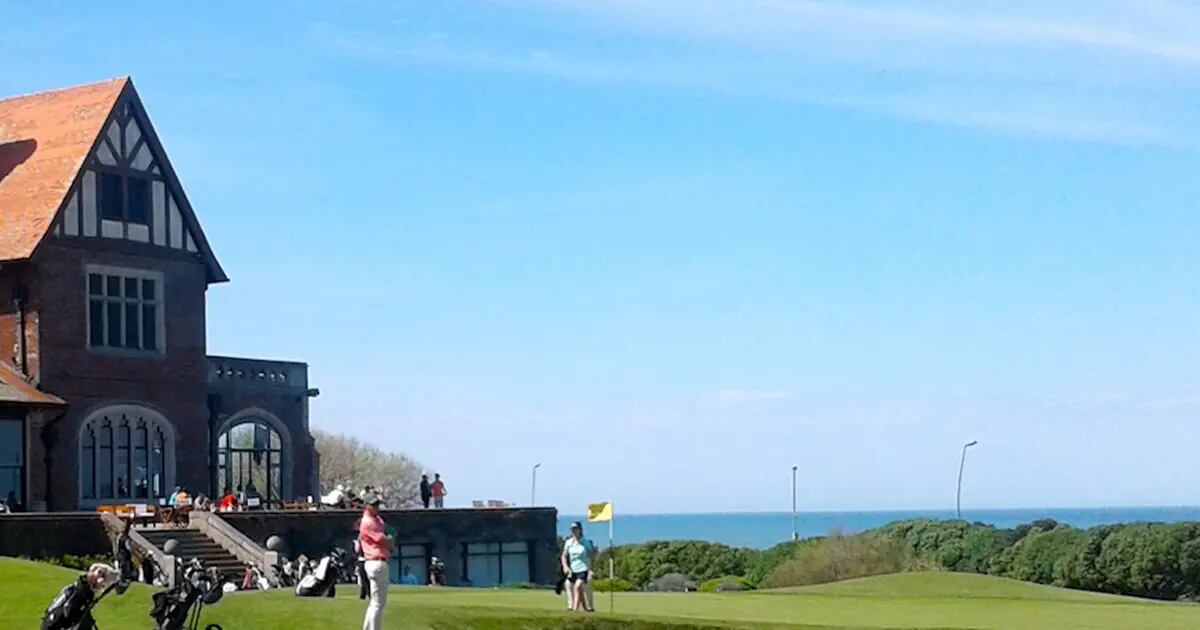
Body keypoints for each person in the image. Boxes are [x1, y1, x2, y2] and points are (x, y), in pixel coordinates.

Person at [358, 492, 394, 630]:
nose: (377, 507)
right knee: (379, 604)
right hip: (376, 562)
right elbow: (383, 540)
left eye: (377, 504)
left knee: (374, 603)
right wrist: (391, 539)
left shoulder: (376, 519)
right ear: (366, 506)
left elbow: (388, 531)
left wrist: (390, 536)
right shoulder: (368, 521)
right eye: (374, 505)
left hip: (376, 562)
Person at [561, 521, 597, 613]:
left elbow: (591, 556)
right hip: (573, 570)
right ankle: (578, 607)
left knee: (577, 587)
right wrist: (565, 566)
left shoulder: (586, 542)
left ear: (580, 530)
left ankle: (575, 610)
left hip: (583, 569)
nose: (573, 530)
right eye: (572, 529)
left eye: (575, 528)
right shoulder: (569, 542)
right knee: (569, 585)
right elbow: (564, 556)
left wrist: (591, 569)